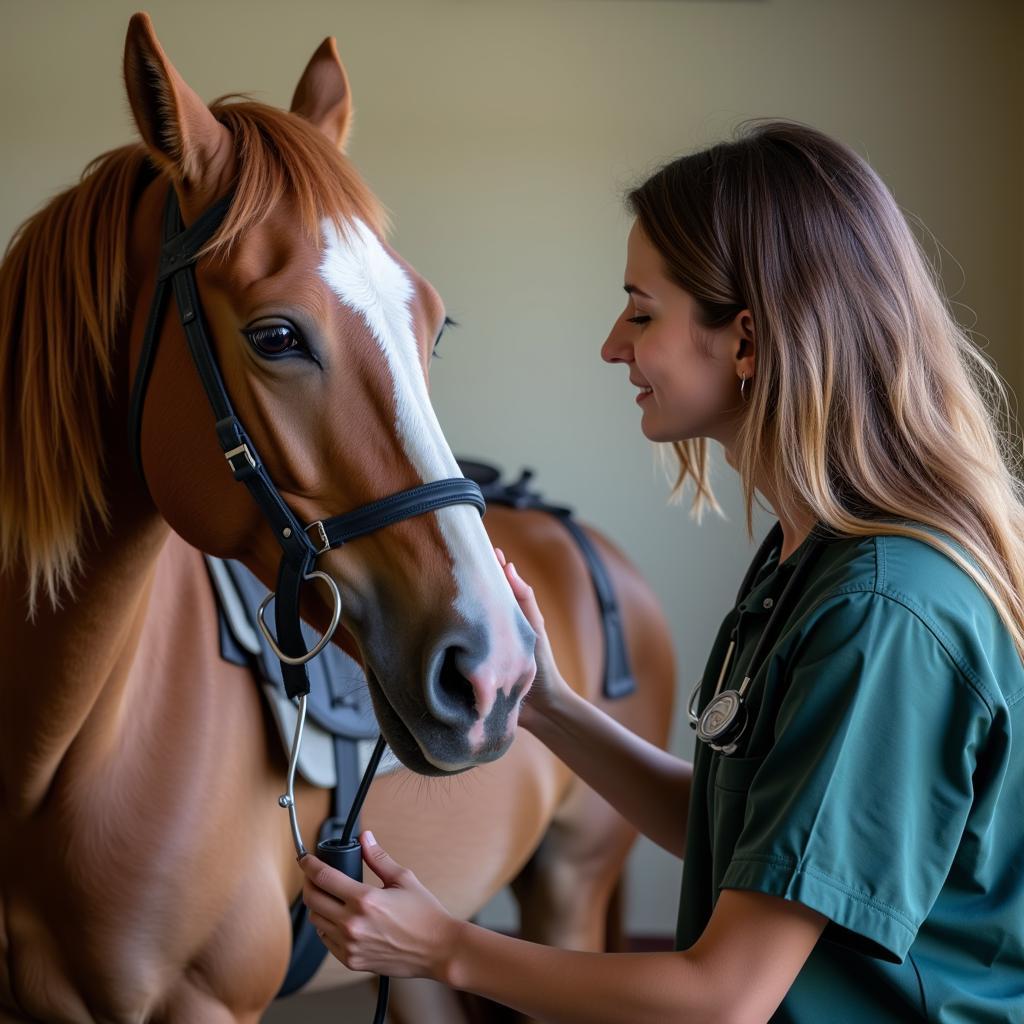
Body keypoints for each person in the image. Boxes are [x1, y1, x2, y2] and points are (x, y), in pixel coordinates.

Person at [298, 120, 1024, 1023]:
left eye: (642, 313)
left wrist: (442, 948)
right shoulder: (805, 566)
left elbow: (726, 998)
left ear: (748, 341)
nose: (613, 345)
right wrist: (553, 704)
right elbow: (742, 834)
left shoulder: (882, 612)